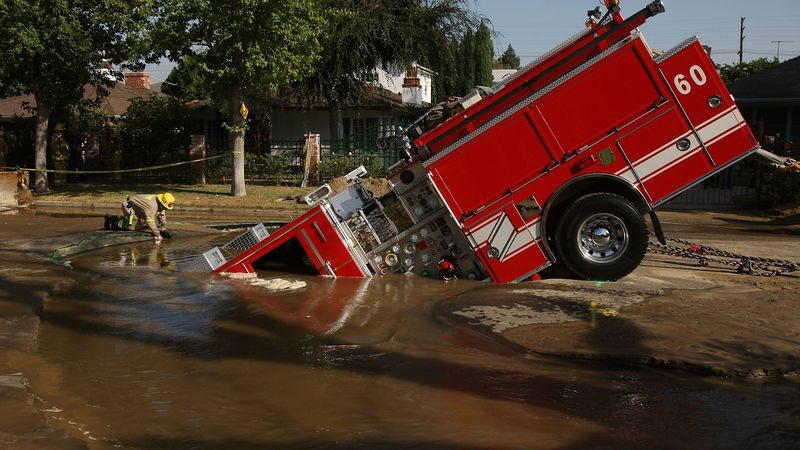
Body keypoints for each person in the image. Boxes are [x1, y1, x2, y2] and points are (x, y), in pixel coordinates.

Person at [105, 193, 175, 243]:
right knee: (133, 228)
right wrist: (158, 235)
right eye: (166, 207)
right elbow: (150, 221)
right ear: (162, 203)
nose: (166, 209)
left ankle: (126, 220)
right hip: (129, 206)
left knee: (145, 223)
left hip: (139, 208)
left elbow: (162, 215)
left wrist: (162, 227)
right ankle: (114, 220)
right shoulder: (152, 206)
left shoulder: (160, 203)